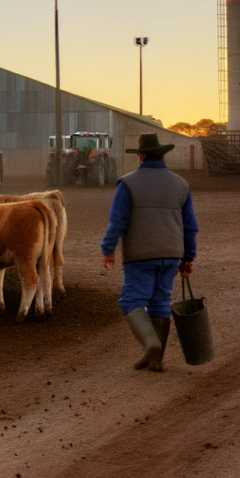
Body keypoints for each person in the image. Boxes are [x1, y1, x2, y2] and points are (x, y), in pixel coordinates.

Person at [100, 133, 198, 372]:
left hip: (140, 255)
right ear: (162, 154)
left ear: (141, 156)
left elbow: (118, 221)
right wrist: (188, 258)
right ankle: (157, 360)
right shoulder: (180, 184)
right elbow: (190, 225)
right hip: (172, 254)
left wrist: (108, 250)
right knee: (161, 302)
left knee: (132, 300)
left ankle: (151, 343)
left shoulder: (128, 183)